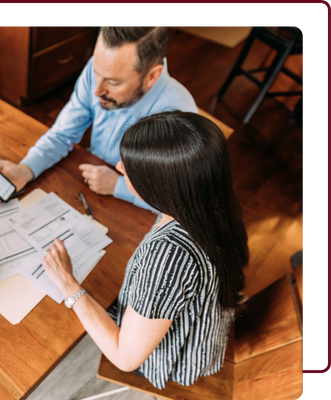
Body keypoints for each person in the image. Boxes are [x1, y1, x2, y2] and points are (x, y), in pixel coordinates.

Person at [41, 111, 249, 390]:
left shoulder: (168, 258)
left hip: (174, 359)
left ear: (160, 187)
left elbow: (124, 357)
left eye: (131, 168)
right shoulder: (209, 201)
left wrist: (69, 285)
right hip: (204, 324)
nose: (118, 167)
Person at [0, 24, 198, 212]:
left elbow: (181, 200)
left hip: (137, 213)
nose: (97, 90)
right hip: (88, 189)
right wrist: (26, 169)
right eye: (96, 72)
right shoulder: (101, 70)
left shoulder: (180, 116)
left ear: (152, 76)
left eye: (113, 82)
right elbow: (63, 133)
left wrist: (118, 186)